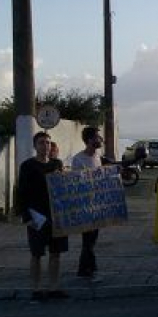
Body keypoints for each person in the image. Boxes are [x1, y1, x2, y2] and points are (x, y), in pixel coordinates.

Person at [18, 131, 70, 302]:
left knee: (56, 253)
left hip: (57, 216)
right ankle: (36, 288)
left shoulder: (57, 163)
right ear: (35, 146)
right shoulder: (28, 166)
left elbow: (64, 188)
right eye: (41, 143)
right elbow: (22, 193)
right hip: (37, 217)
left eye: (48, 143)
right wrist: (26, 217)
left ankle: (54, 287)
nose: (45, 146)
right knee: (37, 254)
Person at [72, 126, 104, 281]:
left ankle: (84, 269)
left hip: (97, 204)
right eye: (98, 137)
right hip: (84, 205)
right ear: (90, 140)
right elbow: (76, 183)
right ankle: (90, 269)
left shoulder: (98, 157)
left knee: (92, 239)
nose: (101, 140)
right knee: (88, 239)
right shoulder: (78, 159)